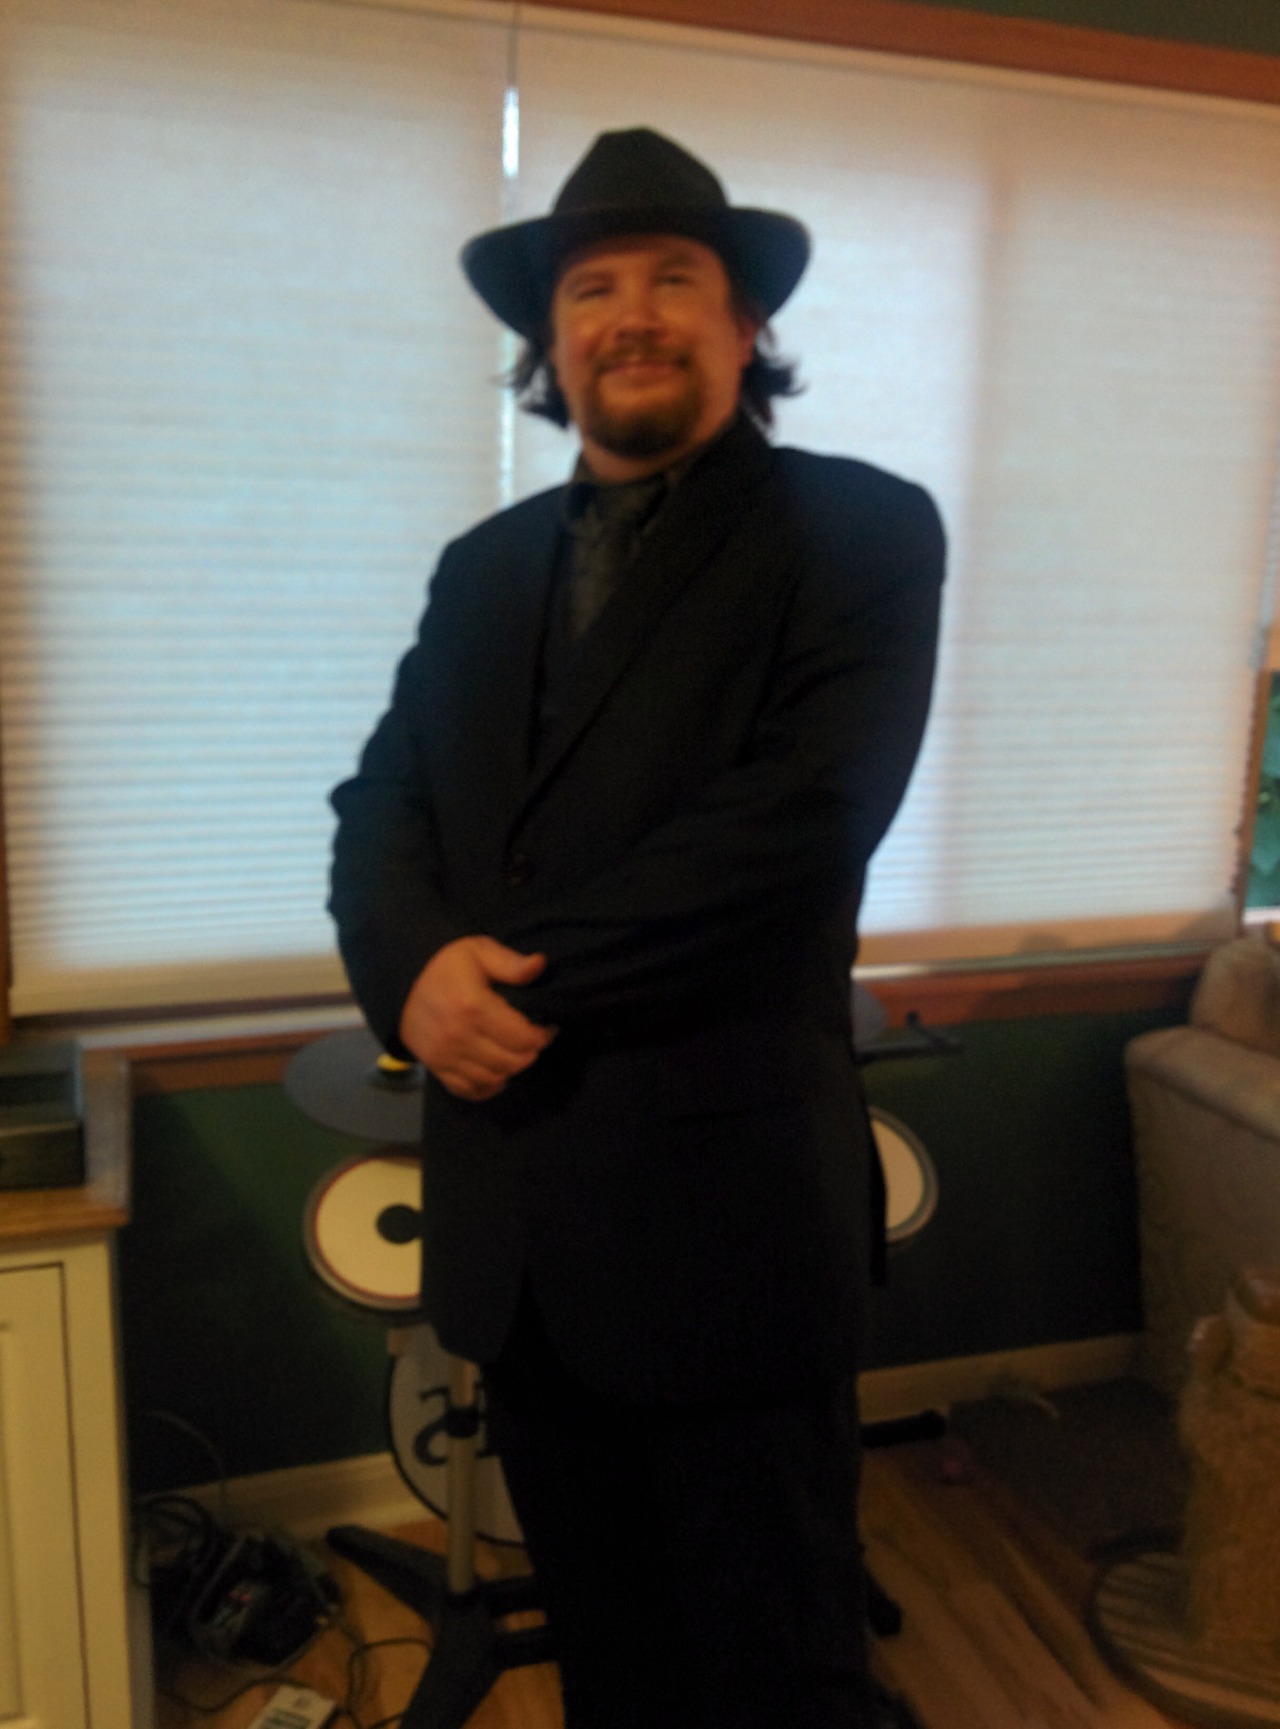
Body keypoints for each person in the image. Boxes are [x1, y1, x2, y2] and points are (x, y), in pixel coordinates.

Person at [329, 126, 944, 1729]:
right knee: (613, 1664)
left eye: (676, 278)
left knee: (781, 1667)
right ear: (551, 343)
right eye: (592, 288)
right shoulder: (479, 570)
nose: (632, 315)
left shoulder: (862, 532)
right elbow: (381, 805)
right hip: (519, 1234)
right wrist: (411, 973)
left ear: (746, 324)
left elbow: (796, 828)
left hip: (731, 1234)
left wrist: (499, 988)